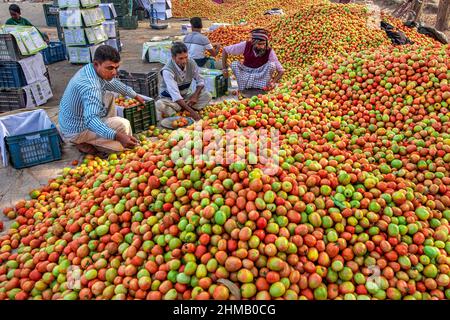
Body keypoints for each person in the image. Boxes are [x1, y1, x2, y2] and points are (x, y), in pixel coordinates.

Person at [58, 45, 144, 154]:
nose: (114, 72)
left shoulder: (92, 70)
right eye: (110, 68)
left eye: (116, 68)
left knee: (110, 96)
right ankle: (82, 142)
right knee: (123, 130)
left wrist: (135, 95)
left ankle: (102, 135)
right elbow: (90, 120)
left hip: (73, 120)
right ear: (96, 64)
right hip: (77, 130)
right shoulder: (91, 86)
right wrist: (118, 136)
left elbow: (114, 84)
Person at [156, 42, 212, 121]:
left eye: (186, 57)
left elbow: (200, 81)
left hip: (185, 97)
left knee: (207, 95)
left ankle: (183, 110)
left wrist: (195, 96)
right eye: (181, 58)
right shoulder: (167, 71)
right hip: (170, 100)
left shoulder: (191, 62)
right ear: (173, 57)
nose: (184, 61)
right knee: (160, 104)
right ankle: (180, 112)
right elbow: (176, 96)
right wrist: (192, 112)